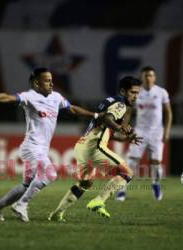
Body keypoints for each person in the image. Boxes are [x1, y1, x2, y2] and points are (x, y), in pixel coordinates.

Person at [0, 67, 103, 222]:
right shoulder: (29, 96)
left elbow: (72, 109)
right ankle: (21, 205)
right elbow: (6, 97)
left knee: (26, 185)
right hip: (31, 147)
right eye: (47, 81)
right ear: (37, 83)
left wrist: (95, 115)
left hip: (41, 149)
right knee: (50, 174)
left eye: (52, 80)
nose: (51, 83)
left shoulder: (56, 97)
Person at [48, 76, 141, 222]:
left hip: (83, 144)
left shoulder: (110, 100)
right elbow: (107, 119)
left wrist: (123, 137)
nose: (136, 96)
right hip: (94, 146)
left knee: (85, 183)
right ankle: (99, 201)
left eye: (137, 93)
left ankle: (57, 213)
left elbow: (104, 128)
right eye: (133, 92)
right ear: (123, 91)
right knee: (127, 173)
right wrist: (120, 127)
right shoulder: (120, 104)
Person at [116, 66, 173, 201]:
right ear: (142, 77)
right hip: (140, 131)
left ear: (154, 77)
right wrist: (123, 128)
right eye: (146, 75)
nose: (148, 78)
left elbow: (168, 113)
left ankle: (156, 184)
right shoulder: (136, 92)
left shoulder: (161, 92)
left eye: (151, 75)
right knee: (132, 161)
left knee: (156, 162)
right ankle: (122, 190)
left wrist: (167, 131)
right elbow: (129, 112)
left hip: (157, 132)